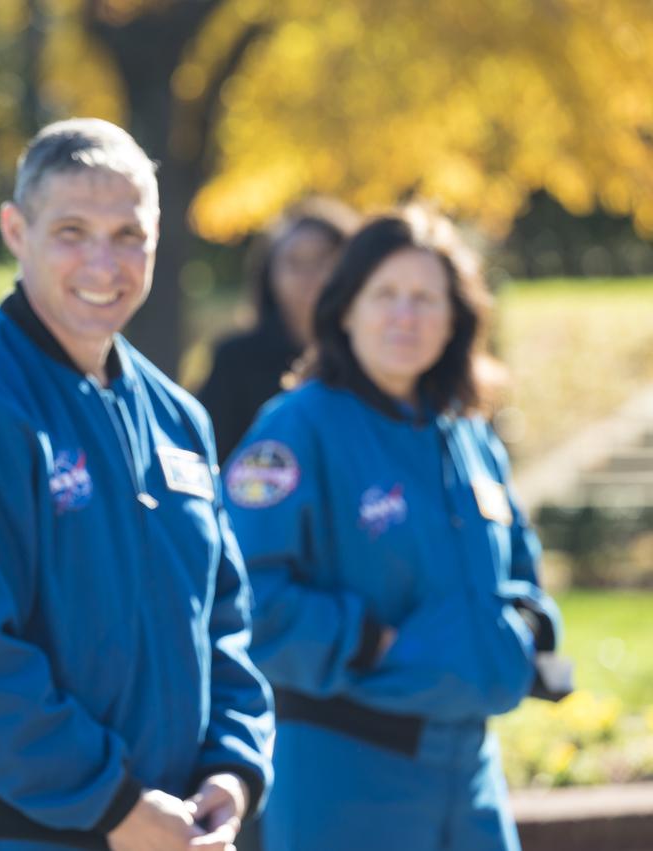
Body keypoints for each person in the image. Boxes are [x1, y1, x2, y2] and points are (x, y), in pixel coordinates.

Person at [0, 118, 273, 851]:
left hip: (176, 830)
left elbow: (224, 619)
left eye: (128, 235)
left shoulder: (177, 416)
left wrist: (231, 773)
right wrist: (116, 805)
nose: (104, 263)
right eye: (73, 231)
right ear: (16, 229)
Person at [223, 207, 569, 851]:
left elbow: (518, 563)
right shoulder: (296, 430)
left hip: (471, 772)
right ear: (346, 309)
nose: (404, 316)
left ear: (455, 320)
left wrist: (525, 631)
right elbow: (244, 595)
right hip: (345, 770)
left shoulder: (466, 433)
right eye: (385, 295)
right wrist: (366, 644)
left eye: (425, 299)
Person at [197, 198, 359, 462]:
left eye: (322, 260)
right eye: (294, 262)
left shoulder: (370, 357)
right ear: (270, 273)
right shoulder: (236, 360)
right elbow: (211, 456)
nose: (309, 276)